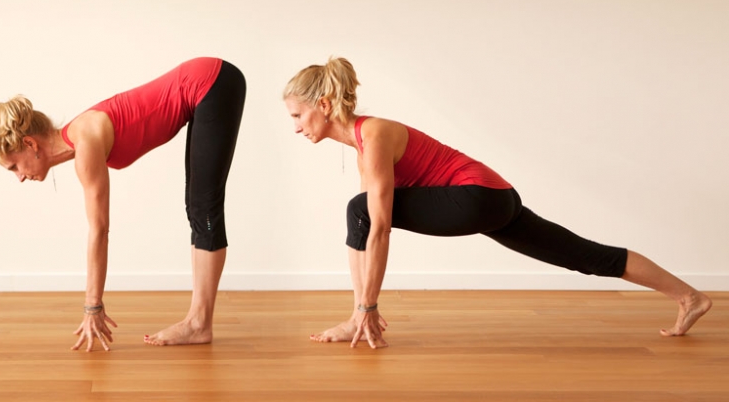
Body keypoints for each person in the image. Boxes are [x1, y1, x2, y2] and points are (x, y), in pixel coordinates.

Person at [283, 57, 712, 349]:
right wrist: (364, 307)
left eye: (297, 116)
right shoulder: (363, 144)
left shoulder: (373, 136)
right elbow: (370, 230)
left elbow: (378, 227)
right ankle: (689, 297)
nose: (297, 127)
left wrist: (368, 306)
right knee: (583, 254)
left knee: (360, 209)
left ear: (322, 105)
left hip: (478, 198)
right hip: (497, 198)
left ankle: (359, 315)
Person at [0, 57, 245, 352]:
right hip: (208, 84)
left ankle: (199, 323)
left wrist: (92, 307)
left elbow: (99, 229)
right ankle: (199, 320)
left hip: (212, 82)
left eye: (14, 167)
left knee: (204, 207)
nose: (19, 177)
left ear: (30, 145)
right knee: (197, 207)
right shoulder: (78, 135)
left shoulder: (84, 141)